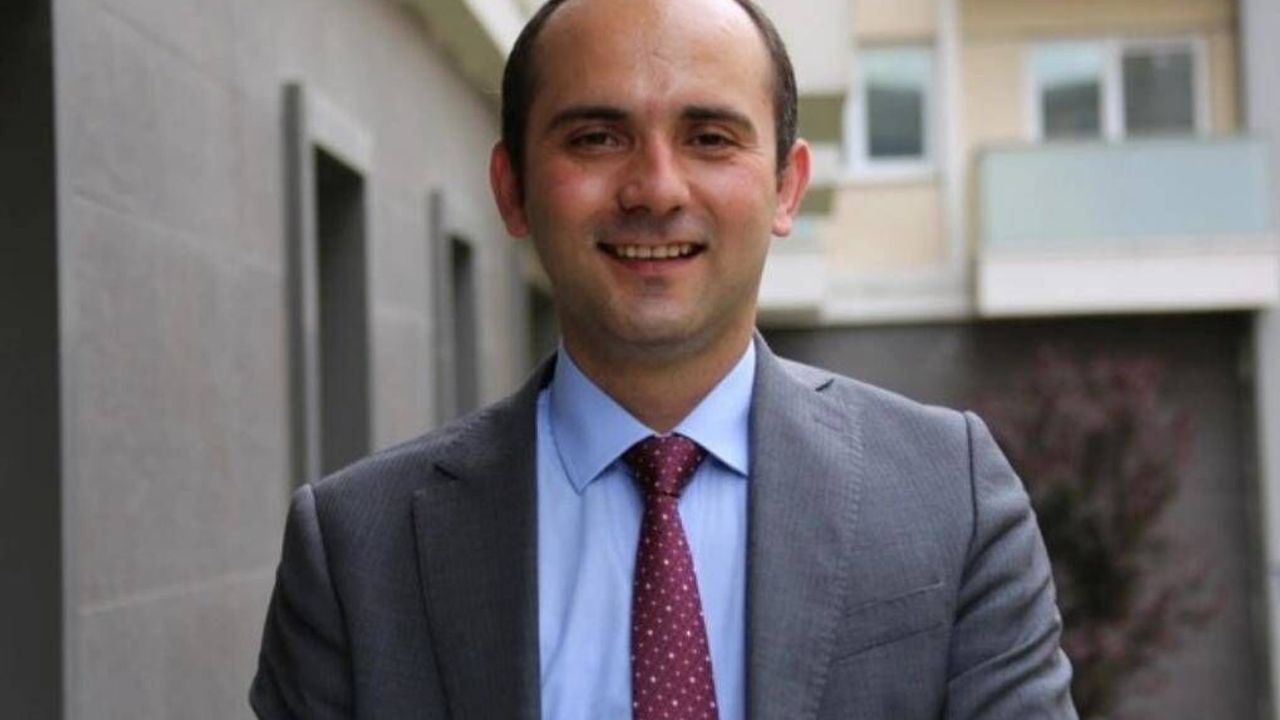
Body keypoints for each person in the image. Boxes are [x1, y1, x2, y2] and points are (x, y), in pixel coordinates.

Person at [250, 0, 1078, 717]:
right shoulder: (357, 551)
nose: (655, 188)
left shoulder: (951, 498)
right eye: (597, 137)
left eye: (710, 138)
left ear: (787, 186)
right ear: (512, 189)